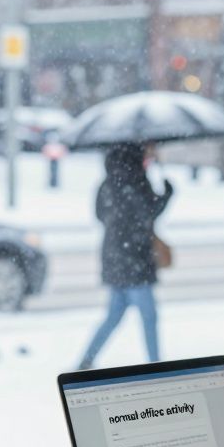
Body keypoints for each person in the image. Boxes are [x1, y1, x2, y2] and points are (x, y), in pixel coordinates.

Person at [77, 143, 174, 370]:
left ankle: (87, 358)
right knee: (149, 316)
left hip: (113, 255)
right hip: (135, 259)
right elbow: (149, 213)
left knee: (114, 315)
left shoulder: (107, 182)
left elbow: (100, 215)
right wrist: (167, 193)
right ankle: (156, 364)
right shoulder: (137, 180)